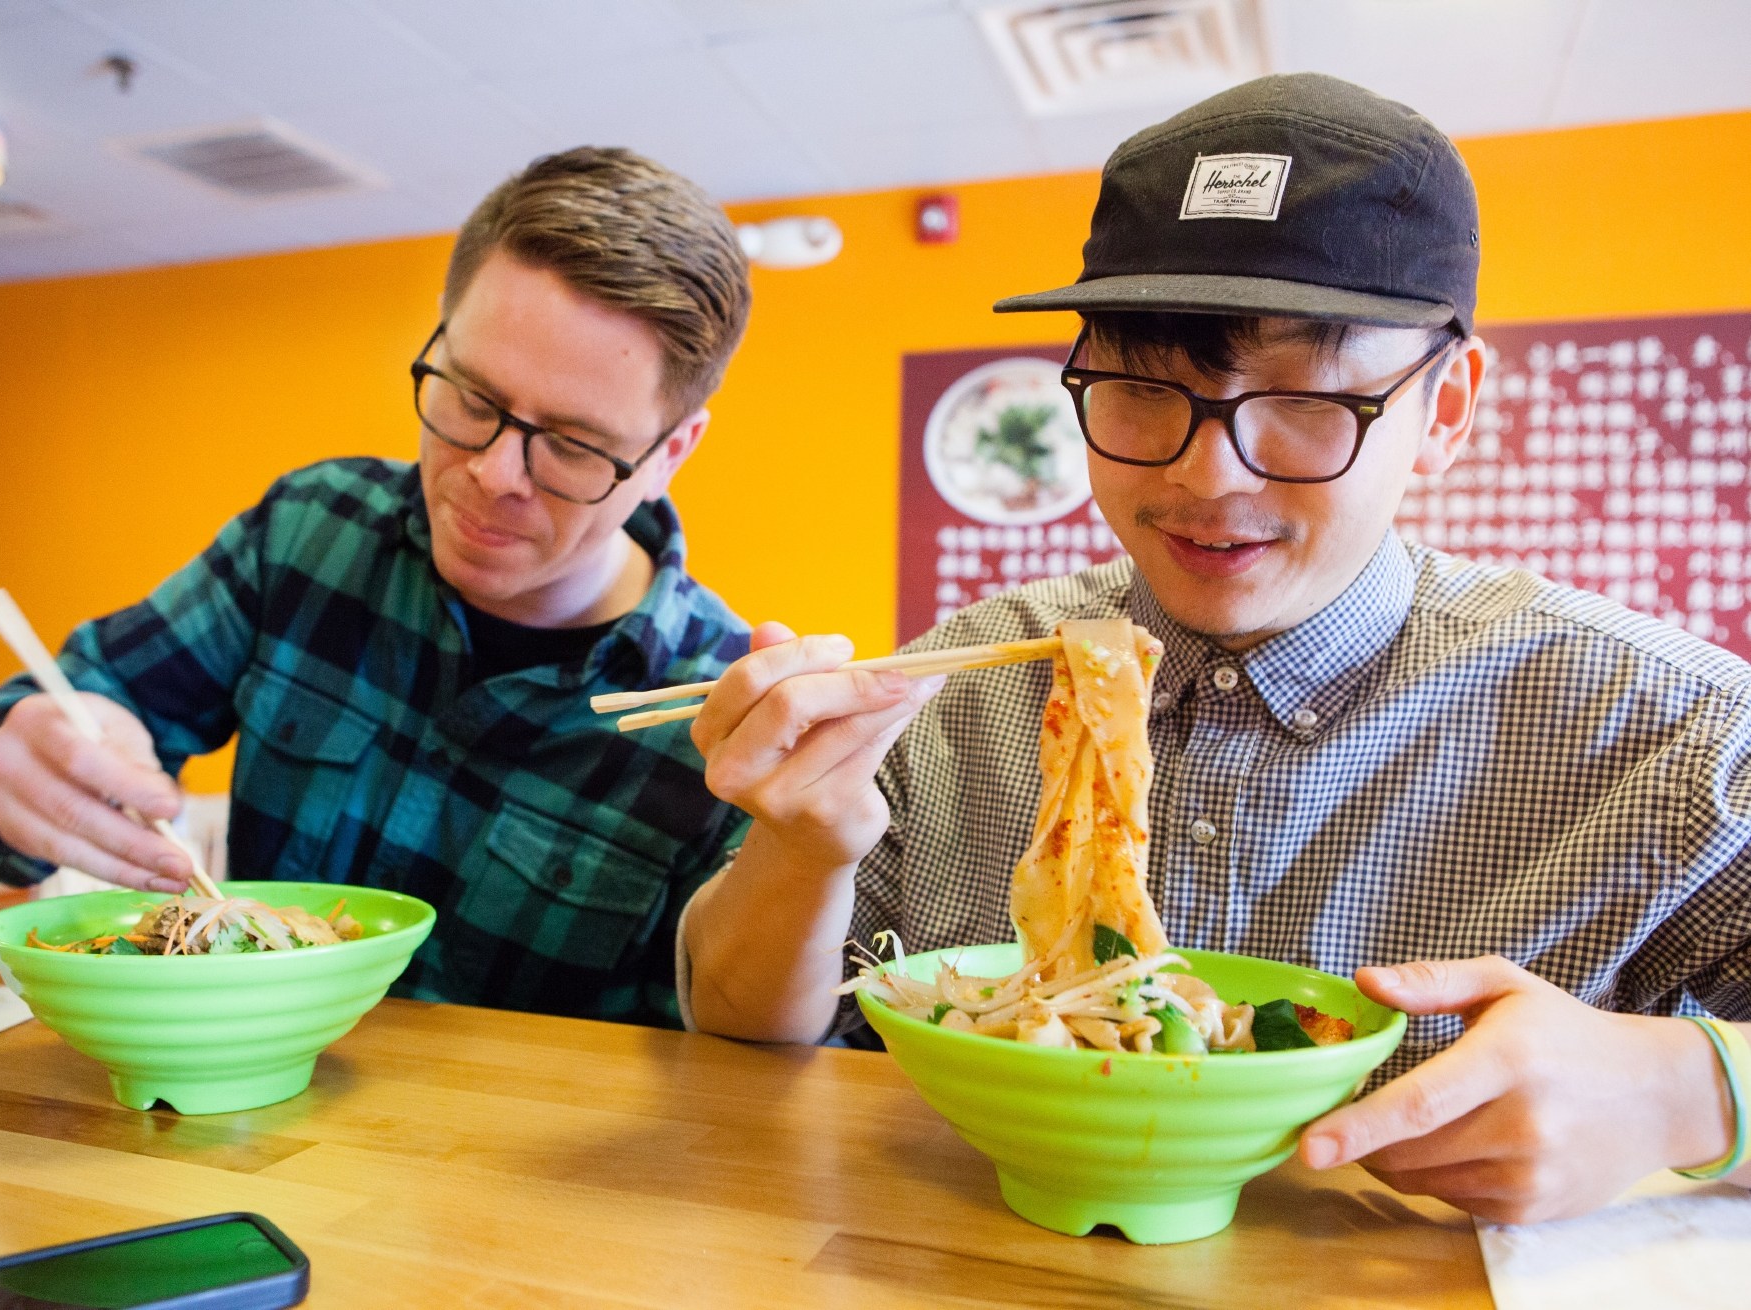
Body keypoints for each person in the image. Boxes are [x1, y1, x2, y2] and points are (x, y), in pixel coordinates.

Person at [679, 73, 1751, 1223]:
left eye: (1301, 396)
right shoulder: (967, 679)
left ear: (1442, 410)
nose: (1208, 476)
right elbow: (734, 1025)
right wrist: (802, 849)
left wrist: (1691, 1091)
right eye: (1146, 388)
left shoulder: (1676, 732)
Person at [0, 147, 756, 1027]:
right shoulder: (313, 532)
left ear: (673, 451)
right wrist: (7, 764)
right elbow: (18, 731)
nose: (492, 472)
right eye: (471, 396)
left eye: (575, 446)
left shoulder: (721, 708)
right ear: (438, 337)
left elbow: (742, 1059)